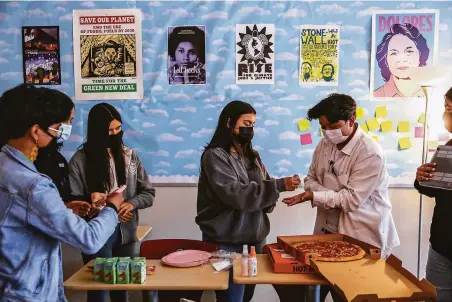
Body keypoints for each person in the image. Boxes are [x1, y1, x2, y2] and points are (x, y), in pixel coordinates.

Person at [0, 84, 122, 302]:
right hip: (27, 293)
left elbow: (16, 218)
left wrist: (61, 209)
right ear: (36, 131)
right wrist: (113, 207)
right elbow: (89, 239)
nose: (64, 130)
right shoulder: (34, 185)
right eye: (61, 125)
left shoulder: (6, 167)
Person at [282, 94, 400, 301]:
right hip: (327, 233)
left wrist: (316, 195)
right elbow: (309, 179)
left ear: (351, 121)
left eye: (333, 126)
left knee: (350, 295)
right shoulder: (323, 145)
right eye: (323, 126)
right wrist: (323, 194)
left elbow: (351, 200)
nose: (328, 132)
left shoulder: (369, 152)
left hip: (361, 236)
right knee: (310, 290)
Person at [196, 100, 301, 302]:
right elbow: (235, 194)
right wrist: (278, 186)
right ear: (229, 123)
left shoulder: (252, 155)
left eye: (252, 125)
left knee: (246, 296)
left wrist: (277, 189)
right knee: (231, 297)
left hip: (253, 239)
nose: (250, 129)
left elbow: (266, 184)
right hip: (225, 240)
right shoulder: (214, 156)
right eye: (246, 123)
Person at [69, 103, 155, 302]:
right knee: (99, 289)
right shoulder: (80, 160)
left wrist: (130, 204)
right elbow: (73, 202)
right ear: (98, 132)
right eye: (110, 130)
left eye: (118, 129)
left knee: (123, 288)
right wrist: (97, 206)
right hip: (97, 234)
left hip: (126, 233)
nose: (116, 134)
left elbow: (148, 193)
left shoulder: (129, 156)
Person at [414, 87, 452, 302]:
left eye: (449, 108)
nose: (446, 114)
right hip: (441, 246)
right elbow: (431, 188)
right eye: (446, 108)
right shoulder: (449, 147)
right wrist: (421, 177)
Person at [34, 91, 91, 217]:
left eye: (71, 121)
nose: (68, 126)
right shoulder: (24, 164)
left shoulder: (58, 159)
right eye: (66, 121)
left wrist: (72, 205)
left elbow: (60, 199)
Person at [374, 23, 429, 98]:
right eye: (394, 53)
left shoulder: (430, 95)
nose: (402, 59)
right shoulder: (377, 95)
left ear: (420, 56)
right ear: (385, 60)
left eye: (409, 51)